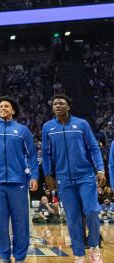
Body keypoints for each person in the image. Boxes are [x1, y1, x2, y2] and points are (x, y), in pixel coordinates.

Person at [42, 94, 105, 263]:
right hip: (64, 179)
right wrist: (47, 174)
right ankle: (78, 255)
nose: (58, 106)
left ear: (68, 107)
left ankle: (94, 248)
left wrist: (100, 169)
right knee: (72, 217)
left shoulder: (81, 124)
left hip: (85, 176)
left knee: (92, 211)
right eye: (55, 104)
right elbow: (46, 153)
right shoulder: (48, 127)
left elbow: (93, 148)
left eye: (61, 103)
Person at [0, 96, 38, 263]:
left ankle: (20, 258)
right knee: (0, 223)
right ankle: (4, 257)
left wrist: (34, 176)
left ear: (13, 110)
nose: (3, 108)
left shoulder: (22, 131)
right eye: (0, 106)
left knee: (20, 223)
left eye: (6, 106)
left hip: (18, 182)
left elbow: (33, 156)